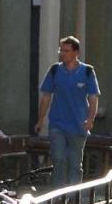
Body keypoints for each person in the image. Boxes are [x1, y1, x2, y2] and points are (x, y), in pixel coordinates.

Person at [36, 36, 99, 188]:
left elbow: (93, 98)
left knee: (75, 163)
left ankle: (73, 198)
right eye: (61, 50)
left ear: (76, 52)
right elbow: (46, 96)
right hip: (57, 123)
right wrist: (41, 119)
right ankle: (58, 196)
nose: (62, 53)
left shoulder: (87, 72)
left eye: (66, 50)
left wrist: (90, 119)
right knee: (58, 159)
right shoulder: (55, 70)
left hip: (78, 125)